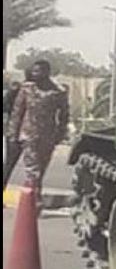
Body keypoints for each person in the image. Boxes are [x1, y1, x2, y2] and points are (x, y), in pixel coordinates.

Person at [5, 59, 69, 190]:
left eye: (38, 71)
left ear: (46, 72)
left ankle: (34, 199)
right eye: (33, 71)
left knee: (41, 170)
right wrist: (13, 134)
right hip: (28, 135)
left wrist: (61, 134)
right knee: (32, 171)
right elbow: (18, 112)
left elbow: (64, 115)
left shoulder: (58, 92)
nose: (34, 74)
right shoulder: (27, 89)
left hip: (48, 137)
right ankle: (33, 200)